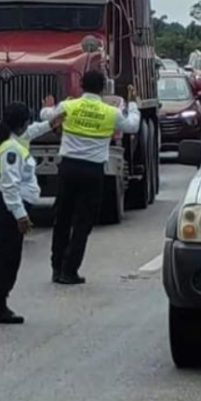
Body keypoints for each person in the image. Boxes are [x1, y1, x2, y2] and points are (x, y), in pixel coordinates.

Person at [42, 70, 141, 285]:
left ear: (80, 85)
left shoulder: (69, 106)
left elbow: (47, 118)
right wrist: (133, 103)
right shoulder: (110, 112)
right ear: (103, 88)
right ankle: (70, 270)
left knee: (62, 220)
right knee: (83, 223)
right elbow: (133, 125)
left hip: (68, 169)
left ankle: (56, 268)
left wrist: (48, 106)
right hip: (93, 172)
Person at [0, 102, 64, 324]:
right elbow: (10, 185)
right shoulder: (11, 149)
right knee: (7, 260)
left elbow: (30, 132)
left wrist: (50, 124)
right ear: (21, 124)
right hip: (5, 207)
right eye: (27, 122)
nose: (29, 126)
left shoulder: (5, 139)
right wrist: (20, 216)